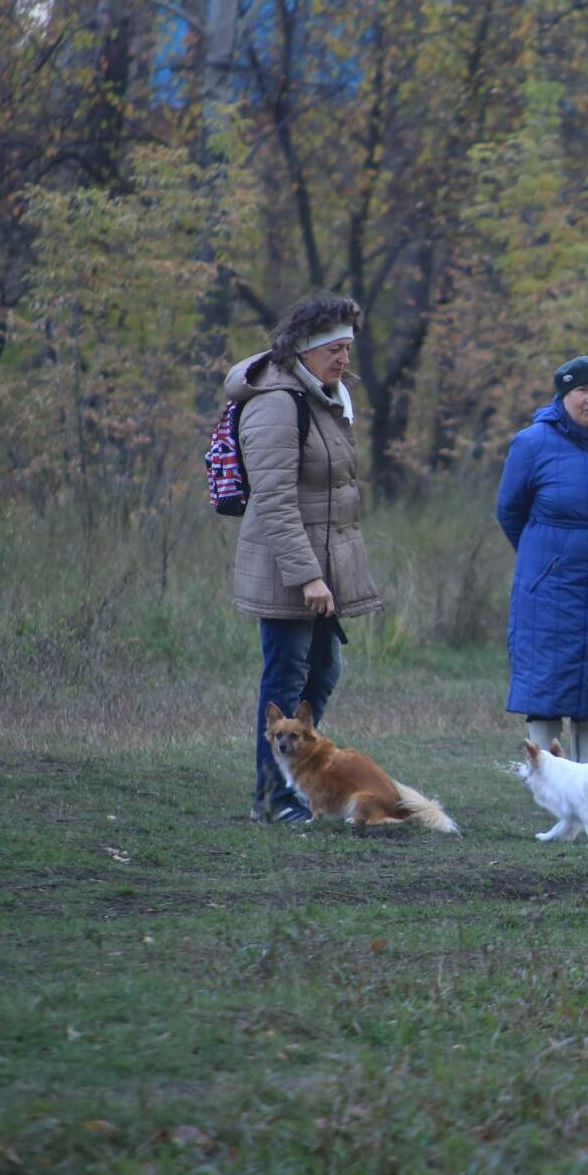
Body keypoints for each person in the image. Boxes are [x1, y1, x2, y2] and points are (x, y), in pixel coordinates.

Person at [224, 293, 382, 824]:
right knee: (287, 679)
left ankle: (304, 786)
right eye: (334, 349)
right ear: (305, 350)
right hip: (287, 571)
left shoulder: (326, 398)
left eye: (348, 348)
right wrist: (309, 576)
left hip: (320, 568)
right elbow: (274, 500)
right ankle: (273, 799)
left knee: (323, 671)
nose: (344, 358)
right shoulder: (277, 403)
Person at [496, 354, 588, 761]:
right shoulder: (531, 443)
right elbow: (509, 510)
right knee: (545, 683)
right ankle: (545, 773)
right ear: (563, 396)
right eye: (582, 390)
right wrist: (546, 559)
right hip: (549, 588)